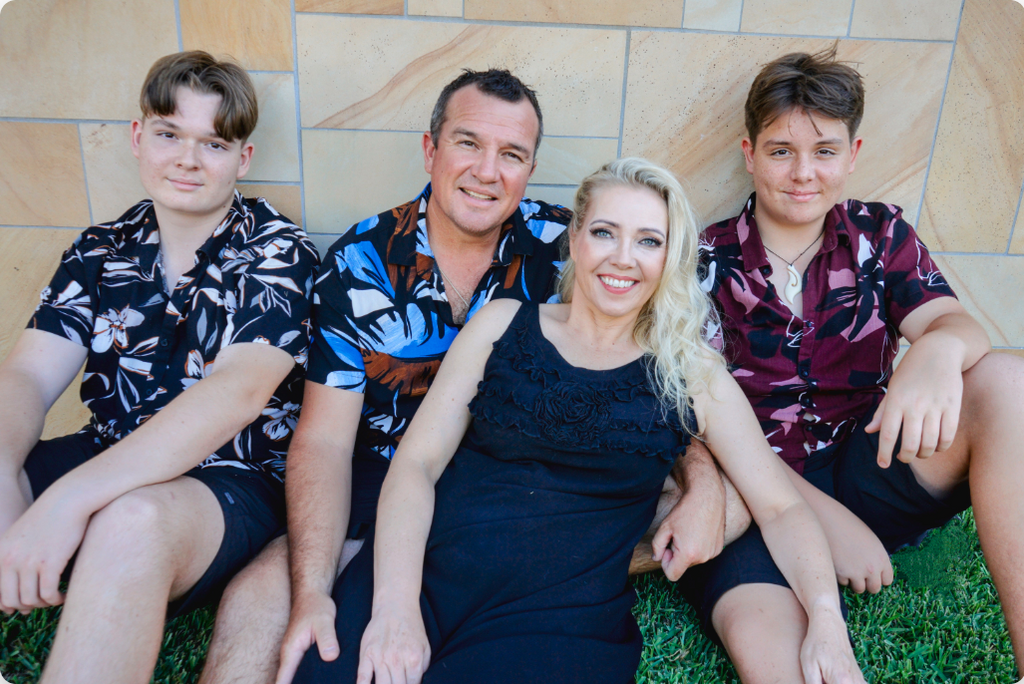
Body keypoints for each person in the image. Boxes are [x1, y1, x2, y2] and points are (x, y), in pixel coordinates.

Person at [200, 69, 731, 684]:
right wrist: (316, 586)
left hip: (532, 478)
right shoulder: (361, 259)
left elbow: (665, 348)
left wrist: (704, 478)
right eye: (468, 143)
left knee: (713, 501)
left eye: (512, 154)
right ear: (431, 149)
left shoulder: (577, 242)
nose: (487, 171)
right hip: (383, 475)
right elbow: (323, 442)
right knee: (264, 595)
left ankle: (553, 573)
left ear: (530, 168)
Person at [290, 157, 865, 684]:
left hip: (556, 623)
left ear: (671, 258)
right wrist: (395, 605)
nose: (622, 257)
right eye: (604, 232)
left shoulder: (691, 373)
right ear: (576, 239)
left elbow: (782, 506)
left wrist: (826, 624)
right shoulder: (501, 324)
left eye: (649, 241)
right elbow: (416, 464)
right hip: (431, 573)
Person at [680, 46, 1024, 682]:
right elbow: (697, 422)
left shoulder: (879, 234)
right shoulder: (704, 259)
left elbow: (956, 323)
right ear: (749, 153)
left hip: (870, 463)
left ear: (854, 155)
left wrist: (938, 349)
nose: (803, 172)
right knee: (774, 655)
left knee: (1008, 379)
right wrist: (824, 520)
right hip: (754, 492)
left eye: (825, 151)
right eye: (781, 151)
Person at [0, 51, 318, 683]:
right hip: (108, 446)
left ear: (242, 160)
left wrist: (66, 501)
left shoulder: (279, 250)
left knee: (133, 520)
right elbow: (28, 378)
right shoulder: (100, 249)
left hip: (229, 484)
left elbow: (236, 394)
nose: (188, 160)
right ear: (139, 136)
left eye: (214, 144)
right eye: (170, 134)